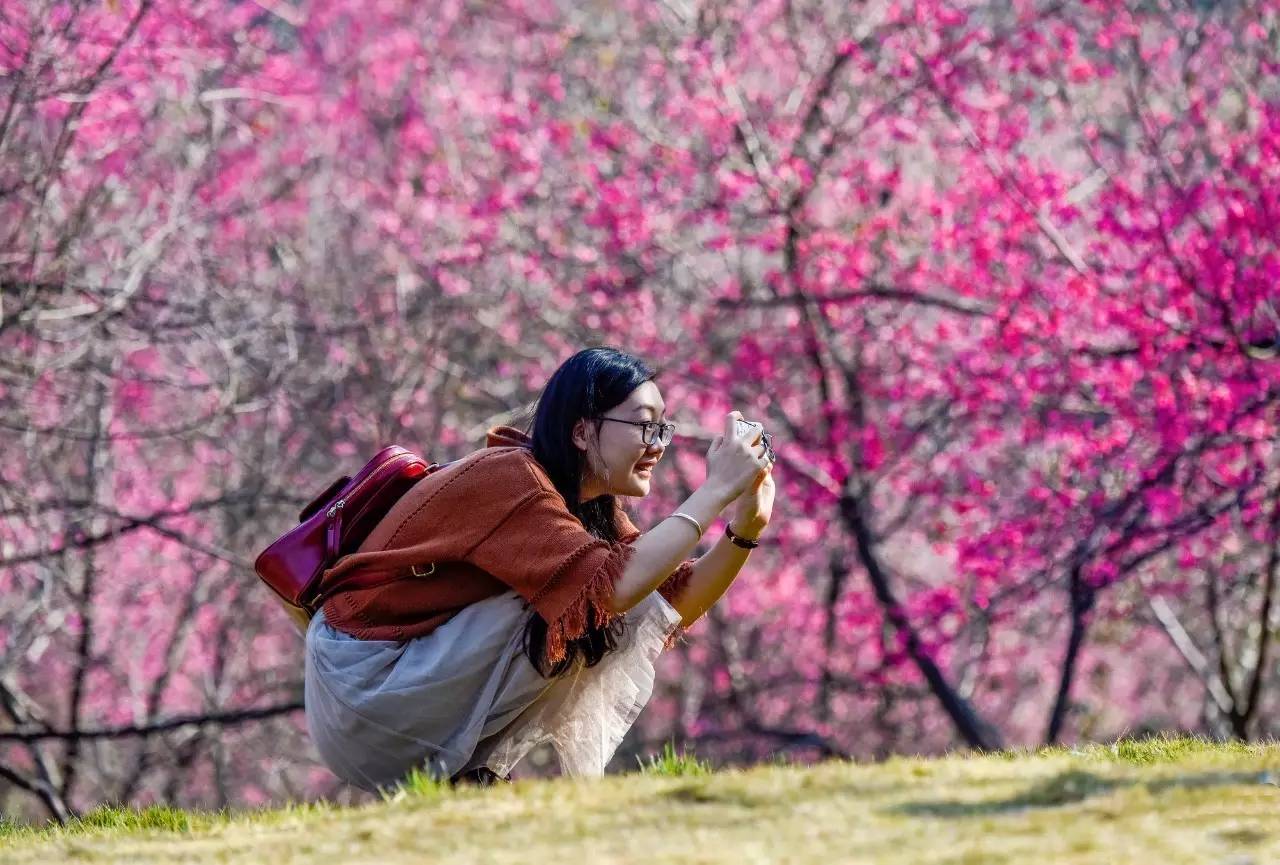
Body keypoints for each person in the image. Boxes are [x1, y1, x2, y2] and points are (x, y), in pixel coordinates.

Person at [303, 347, 776, 792]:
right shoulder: (511, 480)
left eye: (662, 430)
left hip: (398, 688)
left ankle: (470, 778)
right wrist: (713, 491)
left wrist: (745, 528)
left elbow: (662, 597)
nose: (657, 446)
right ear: (581, 431)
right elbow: (616, 591)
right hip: (363, 690)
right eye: (643, 426)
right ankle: (470, 773)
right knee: (575, 599)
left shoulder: (589, 506)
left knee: (593, 594)